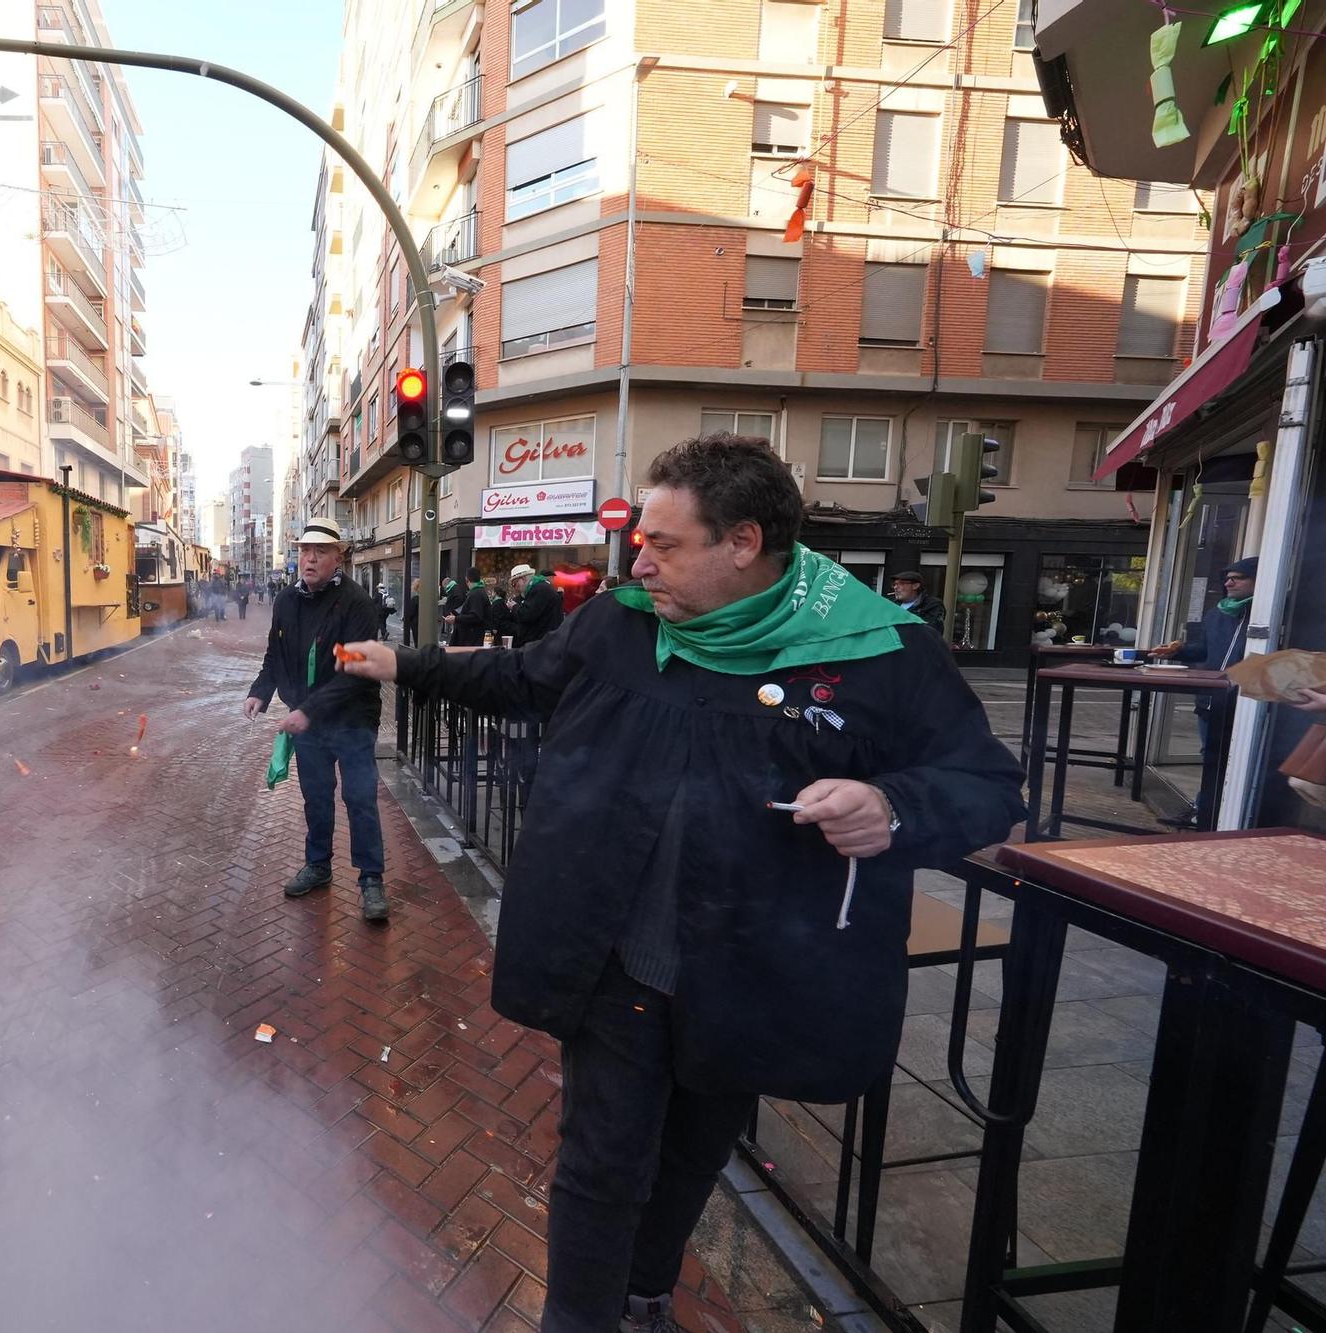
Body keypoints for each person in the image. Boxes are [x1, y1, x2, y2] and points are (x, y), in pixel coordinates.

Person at [334, 433, 1022, 1333]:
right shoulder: (621, 623)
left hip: (753, 969)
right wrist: (405, 663)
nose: (637, 560)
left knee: (696, 1149)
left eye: (663, 544)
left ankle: (647, 1294)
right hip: (616, 956)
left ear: (743, 542)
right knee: (601, 1157)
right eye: (639, 539)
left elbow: (987, 786)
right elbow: (523, 678)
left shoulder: (879, 651)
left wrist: (891, 807)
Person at [245, 518, 390, 923]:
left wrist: (305, 711)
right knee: (317, 796)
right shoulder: (287, 601)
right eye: (304, 551)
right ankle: (319, 864)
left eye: (320, 551)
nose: (309, 558)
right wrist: (260, 690)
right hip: (307, 722)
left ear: (337, 557)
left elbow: (354, 670)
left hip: (353, 718)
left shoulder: (357, 603)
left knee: (359, 797)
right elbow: (275, 656)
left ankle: (371, 879)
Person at [1150, 555, 1257, 826]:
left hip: (1248, 701)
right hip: (1211, 698)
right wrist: (1178, 650)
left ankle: (1233, 814)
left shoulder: (1270, 613)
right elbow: (1205, 651)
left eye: (1238, 577)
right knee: (1210, 755)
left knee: (1240, 758)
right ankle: (1204, 811)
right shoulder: (1217, 612)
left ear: (1259, 580)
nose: (1229, 582)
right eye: (1227, 577)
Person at [507, 563, 565, 648]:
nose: (515, 588)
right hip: (547, 641)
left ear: (523, 579)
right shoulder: (542, 587)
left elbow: (527, 615)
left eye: (515, 584)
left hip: (543, 643)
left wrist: (514, 607)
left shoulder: (538, 590)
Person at [450, 570, 496, 647]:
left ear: (467, 579)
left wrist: (456, 619)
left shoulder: (476, 594)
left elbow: (476, 616)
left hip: (474, 640)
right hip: (477, 639)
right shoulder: (479, 592)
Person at [405, 580, 421, 649]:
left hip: (416, 622)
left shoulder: (415, 599)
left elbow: (411, 612)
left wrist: (406, 619)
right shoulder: (427, 598)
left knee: (417, 640)